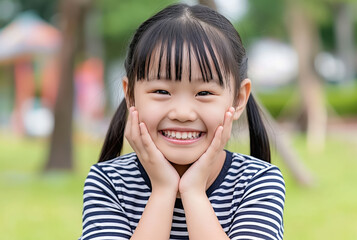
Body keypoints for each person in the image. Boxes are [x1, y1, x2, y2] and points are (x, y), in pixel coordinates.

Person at [80, 3, 285, 240]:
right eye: (161, 91)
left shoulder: (257, 183)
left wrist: (194, 192)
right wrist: (163, 190)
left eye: (204, 93)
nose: (182, 113)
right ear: (130, 94)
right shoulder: (109, 183)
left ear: (239, 99)